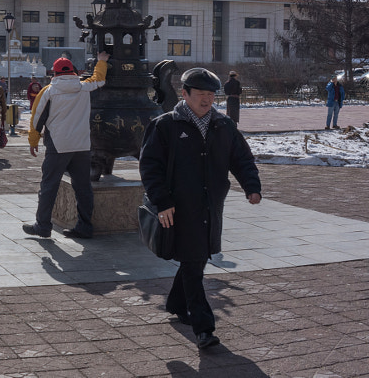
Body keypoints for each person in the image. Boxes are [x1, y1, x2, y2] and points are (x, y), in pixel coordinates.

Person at [139, 67, 262, 351]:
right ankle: (204, 328)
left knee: (197, 257)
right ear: (185, 94)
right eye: (201, 95)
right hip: (179, 207)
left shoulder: (224, 125)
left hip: (211, 205)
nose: (207, 101)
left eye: (211, 95)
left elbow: (242, 158)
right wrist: (163, 202)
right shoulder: (165, 125)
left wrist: (251, 187)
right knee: (195, 264)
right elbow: (150, 167)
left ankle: (175, 303)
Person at [24, 53, 110, 239]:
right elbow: (99, 79)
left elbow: (37, 118)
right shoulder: (84, 87)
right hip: (81, 145)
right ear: (74, 71)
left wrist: (33, 141)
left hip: (58, 145)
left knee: (49, 185)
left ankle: (43, 226)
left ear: (53, 73)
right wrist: (101, 61)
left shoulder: (48, 91)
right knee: (83, 187)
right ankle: (85, 226)